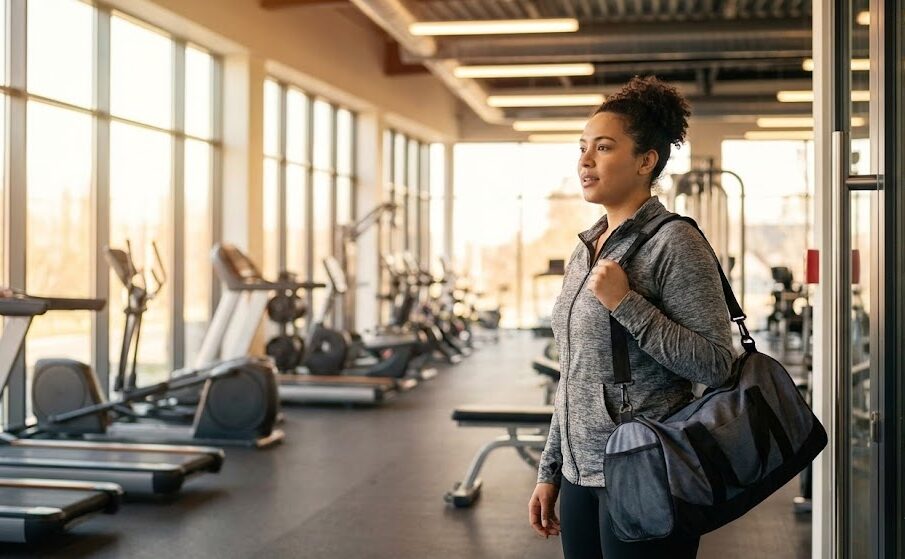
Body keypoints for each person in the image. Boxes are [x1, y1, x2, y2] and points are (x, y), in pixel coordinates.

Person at [527, 76, 734, 559]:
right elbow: (573, 374)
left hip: (646, 469)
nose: (584, 160)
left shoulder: (675, 243)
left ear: (646, 161)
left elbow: (715, 364)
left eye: (603, 147)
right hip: (581, 473)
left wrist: (627, 304)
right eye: (582, 148)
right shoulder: (585, 250)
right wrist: (550, 469)